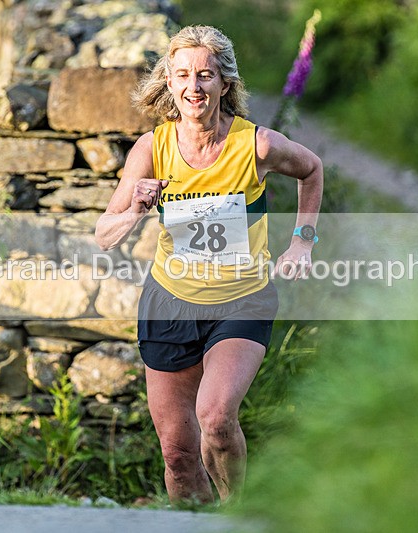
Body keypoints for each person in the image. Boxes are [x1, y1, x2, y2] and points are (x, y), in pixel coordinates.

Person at [95, 25, 323, 505]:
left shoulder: (255, 146)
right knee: (177, 454)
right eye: (182, 76)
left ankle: (236, 512)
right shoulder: (151, 150)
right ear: (169, 83)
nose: (193, 88)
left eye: (205, 76)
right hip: (170, 303)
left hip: (242, 299)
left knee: (216, 419)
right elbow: (104, 235)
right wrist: (135, 209)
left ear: (225, 85)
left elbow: (312, 169)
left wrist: (302, 241)